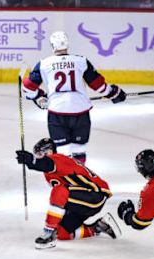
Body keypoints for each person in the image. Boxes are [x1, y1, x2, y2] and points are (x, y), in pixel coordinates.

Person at [22, 31, 127, 165]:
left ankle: (67, 181)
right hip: (80, 111)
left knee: (63, 151)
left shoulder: (44, 63)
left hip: (57, 112)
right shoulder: (81, 61)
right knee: (79, 150)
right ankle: (81, 178)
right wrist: (114, 93)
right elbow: (99, 86)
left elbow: (27, 88)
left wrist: (38, 96)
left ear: (52, 45)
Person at [15, 137, 121, 249]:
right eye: (36, 154)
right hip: (81, 200)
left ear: (50, 151)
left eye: (41, 153)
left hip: (95, 194)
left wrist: (32, 161)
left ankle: (48, 233)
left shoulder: (59, 159)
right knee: (62, 233)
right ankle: (98, 227)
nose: (38, 156)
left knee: (59, 191)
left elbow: (47, 164)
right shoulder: (48, 172)